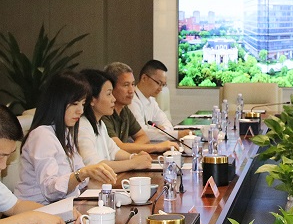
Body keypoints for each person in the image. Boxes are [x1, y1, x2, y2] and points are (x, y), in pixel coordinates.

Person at [16, 72, 117, 201]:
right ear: (58, 102)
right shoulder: (41, 135)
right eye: (75, 103)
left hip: (63, 206)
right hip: (39, 209)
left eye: (83, 104)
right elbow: (50, 190)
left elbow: (81, 182)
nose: (80, 111)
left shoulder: (65, 132)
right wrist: (83, 173)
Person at [76, 69, 154, 171]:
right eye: (109, 94)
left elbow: (114, 151)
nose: (113, 99)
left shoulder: (100, 123)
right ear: (92, 100)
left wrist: (134, 157)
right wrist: (133, 163)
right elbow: (94, 165)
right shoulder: (82, 126)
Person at [102, 62, 175, 154]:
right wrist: (157, 147)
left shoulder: (125, 110)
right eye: (126, 85)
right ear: (111, 87)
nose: (131, 90)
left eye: (132, 84)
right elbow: (118, 148)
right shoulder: (103, 113)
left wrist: (131, 149)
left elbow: (143, 137)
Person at [130, 59, 183, 142]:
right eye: (158, 83)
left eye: (163, 85)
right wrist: (176, 134)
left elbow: (167, 124)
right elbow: (142, 134)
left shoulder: (152, 100)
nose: (160, 89)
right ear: (144, 78)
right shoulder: (132, 101)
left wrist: (155, 131)